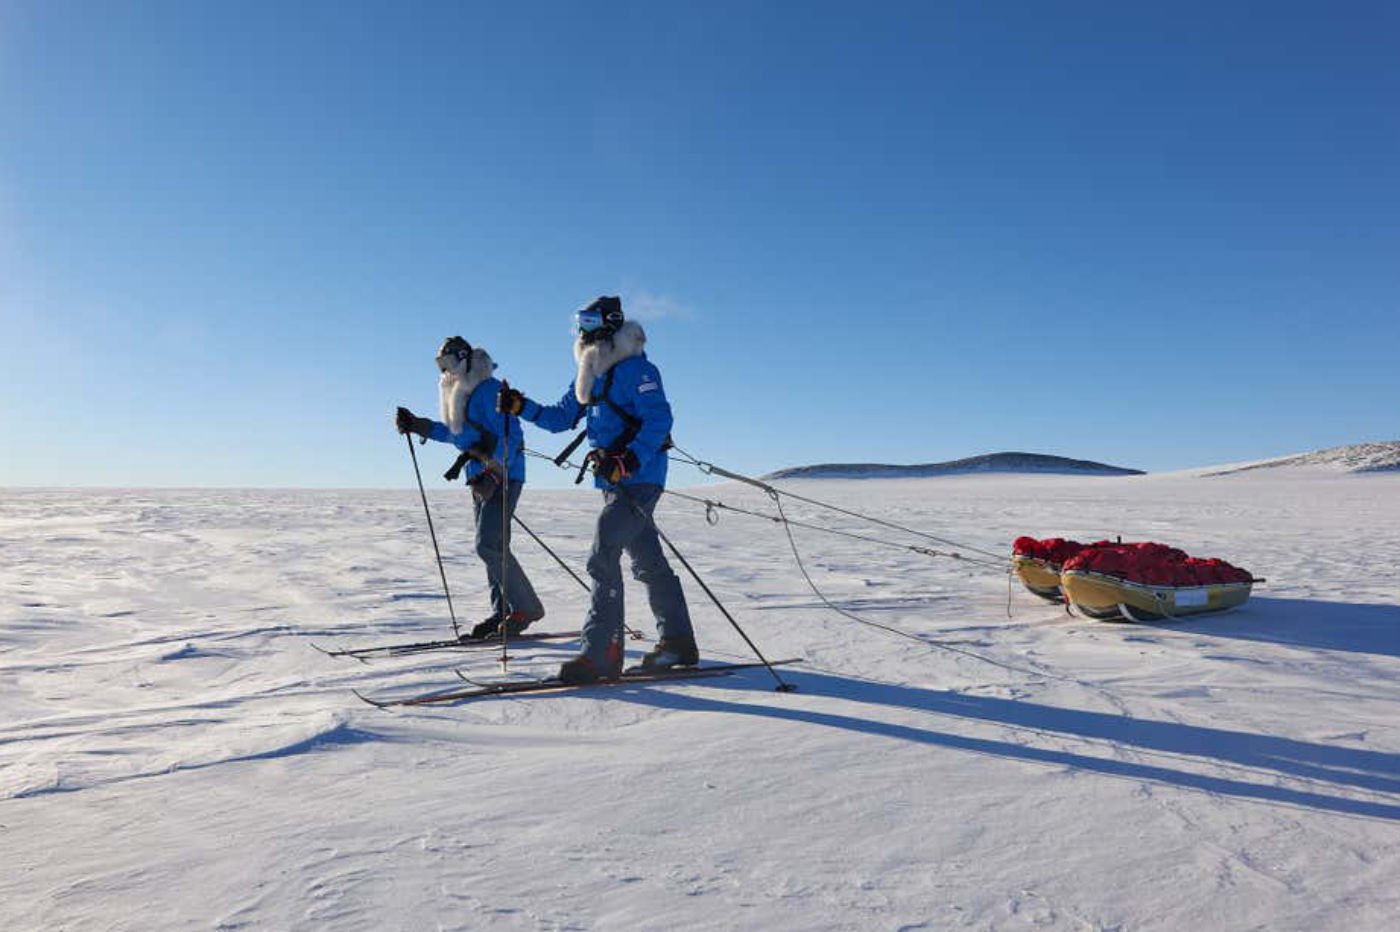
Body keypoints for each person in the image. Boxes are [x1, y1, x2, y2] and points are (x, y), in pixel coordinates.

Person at [498, 296, 697, 684]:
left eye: (588, 321)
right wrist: (521, 406)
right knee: (648, 562)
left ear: (610, 323)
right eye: (578, 322)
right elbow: (559, 418)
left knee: (602, 555)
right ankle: (678, 642)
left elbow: (659, 419)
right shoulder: (590, 371)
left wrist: (629, 460)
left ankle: (601, 654)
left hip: (640, 479)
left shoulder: (638, 368)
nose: (581, 330)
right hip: (612, 484)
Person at [395, 336, 544, 641]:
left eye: (448, 363)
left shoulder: (488, 389)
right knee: (494, 546)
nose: (444, 371)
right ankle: (502, 610)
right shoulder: (461, 392)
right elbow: (455, 434)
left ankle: (525, 608)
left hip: (502, 476)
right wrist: (417, 424)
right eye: (440, 366)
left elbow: (511, 433)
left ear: (464, 359)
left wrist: (495, 470)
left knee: (487, 544)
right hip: (480, 479)